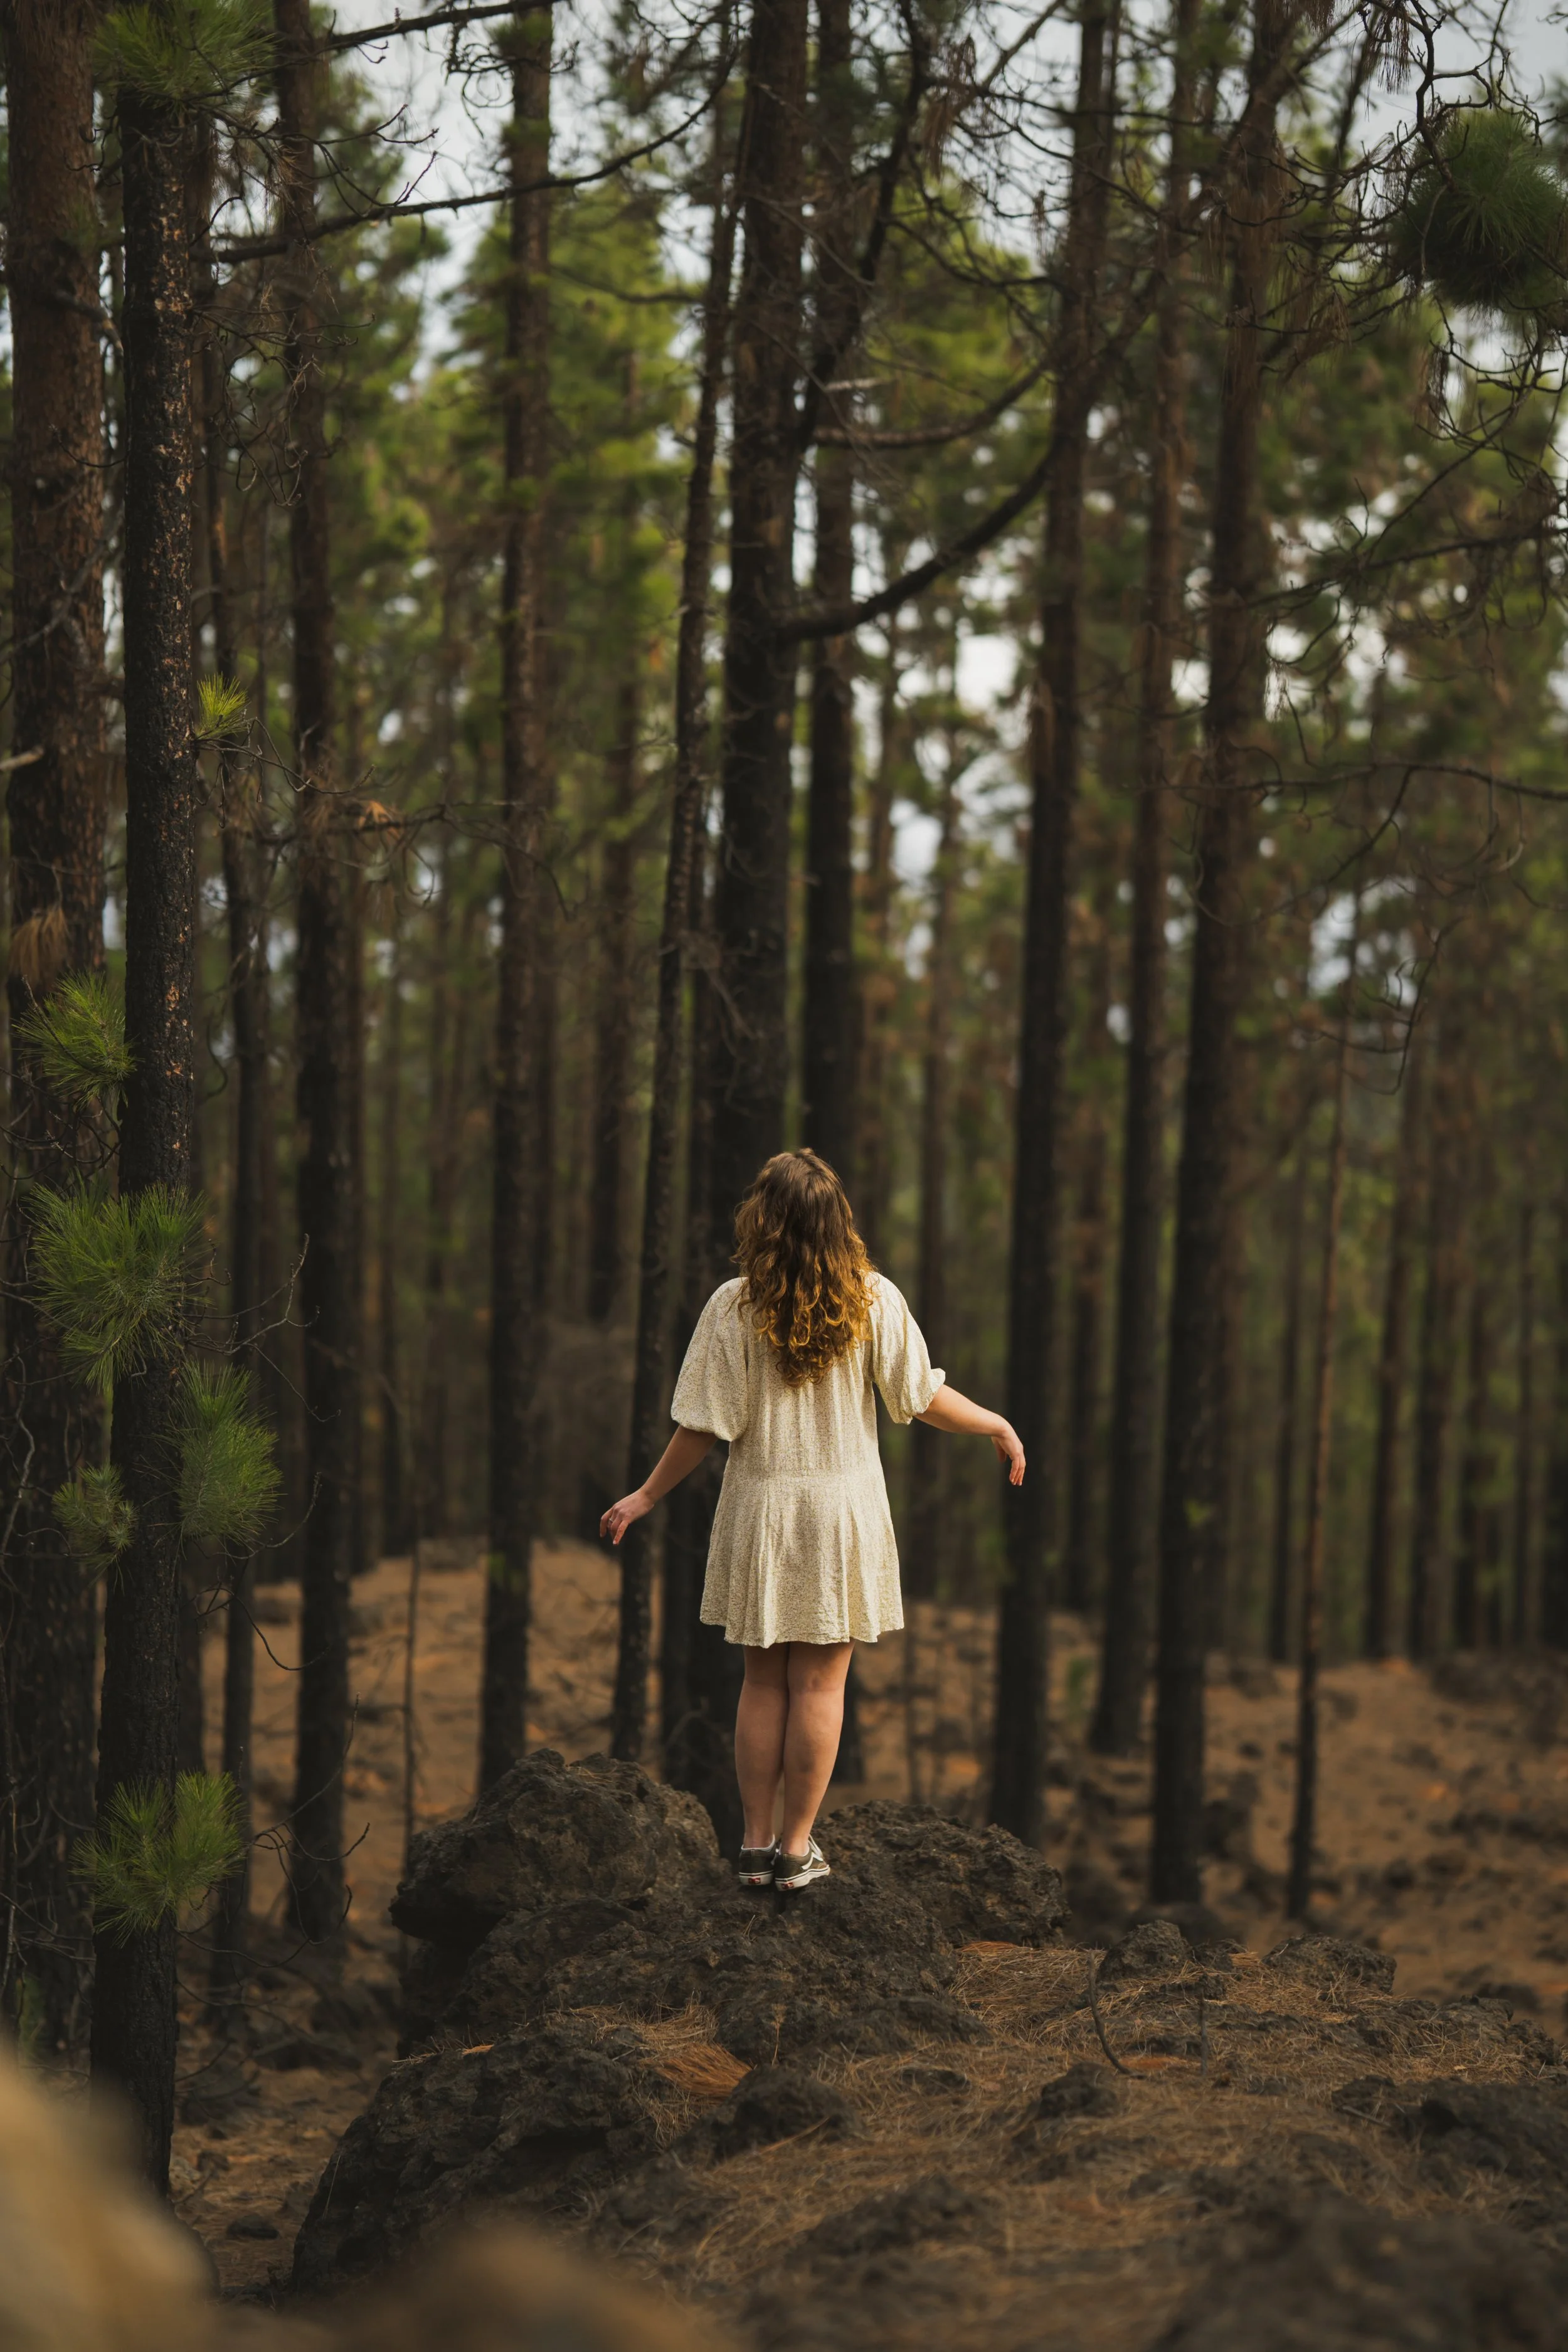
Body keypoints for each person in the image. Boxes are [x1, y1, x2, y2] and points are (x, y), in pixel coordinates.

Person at [600, 1148, 1024, 1892]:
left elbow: (702, 1425)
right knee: (821, 1689)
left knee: (763, 1682)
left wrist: (646, 1495)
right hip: (841, 1513)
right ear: (838, 1224)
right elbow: (919, 1398)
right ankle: (799, 1850)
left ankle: (757, 1845)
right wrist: (996, 1423)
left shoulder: (731, 1307)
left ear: (762, 1221)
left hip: (759, 1507)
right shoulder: (872, 1299)